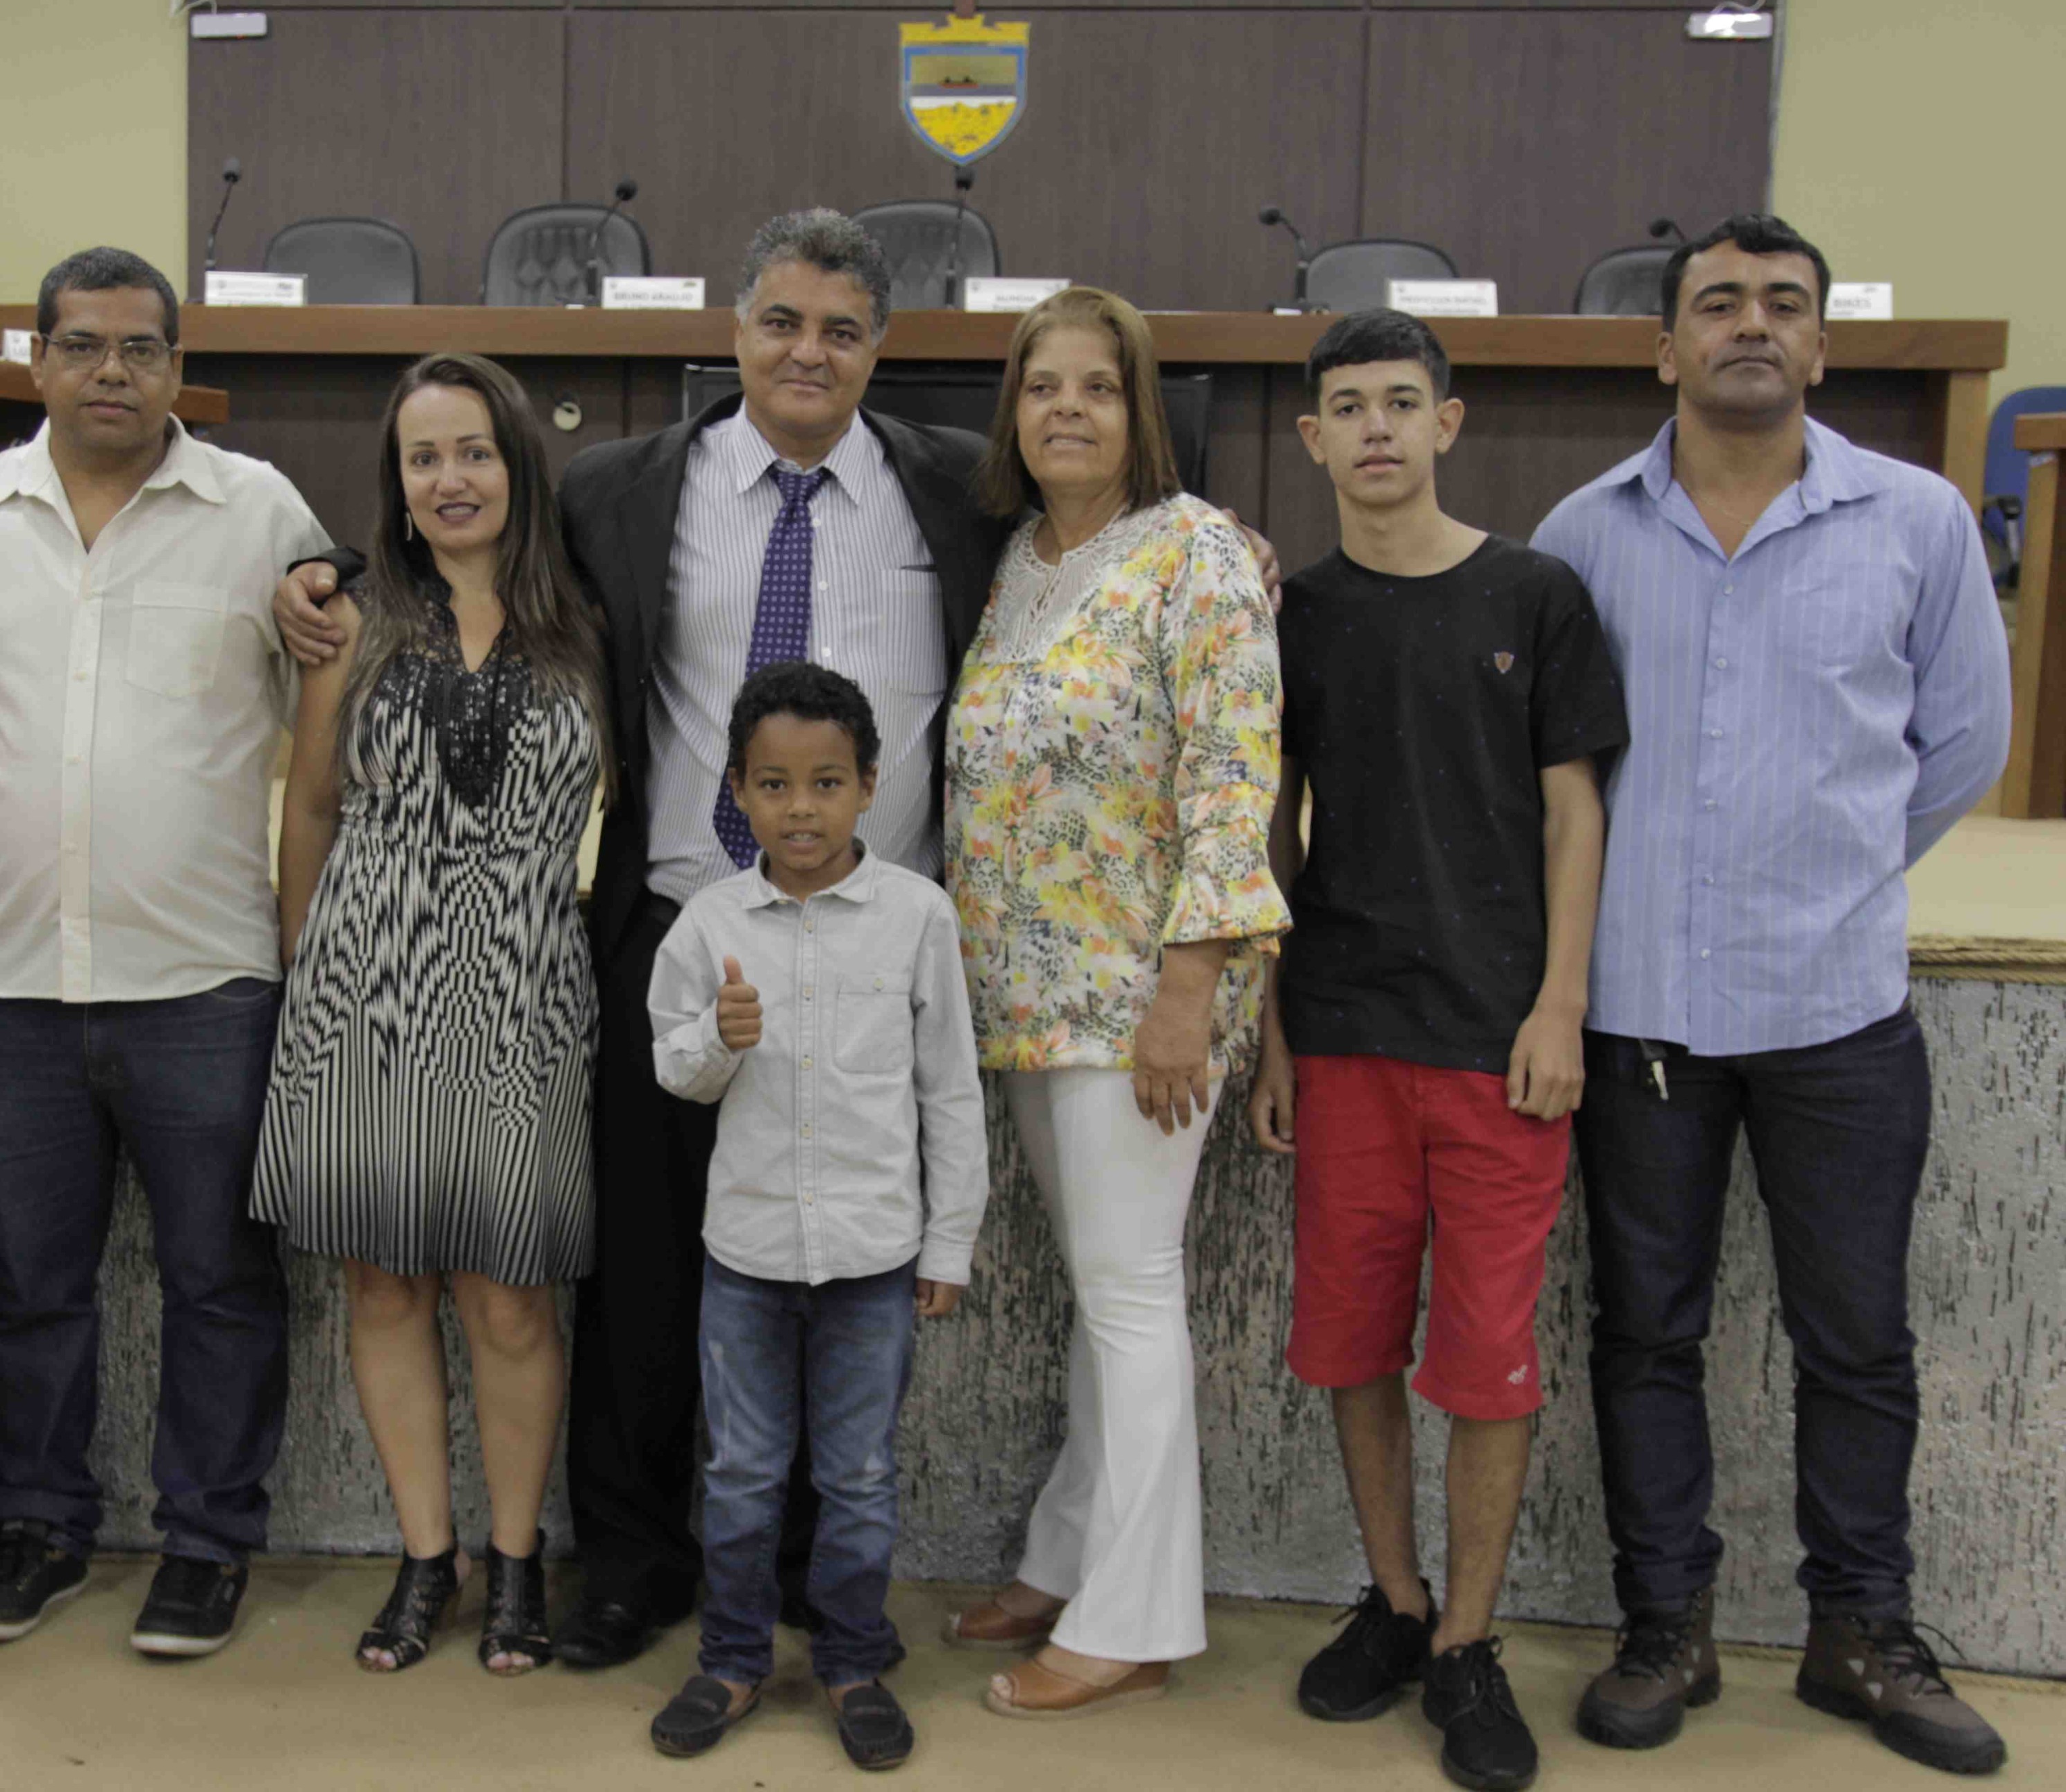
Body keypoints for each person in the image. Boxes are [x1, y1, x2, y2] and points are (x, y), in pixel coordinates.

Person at [281, 209, 1004, 1668]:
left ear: (882, 347)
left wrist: (1222, 536)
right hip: (674, 927)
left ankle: (805, 1564)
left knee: (830, 1270)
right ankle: (628, 1559)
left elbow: (1087, 536)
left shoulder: (961, 492)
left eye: (842, 329)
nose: (808, 352)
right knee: (641, 1276)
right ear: (735, 331)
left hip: (864, 946)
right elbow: (454, 551)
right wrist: (318, 574)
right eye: (782, 321)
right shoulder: (623, 488)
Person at [1531, 215, 2012, 1777]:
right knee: (1643, 1335)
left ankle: (1860, 1629)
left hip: (1835, 1011)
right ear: (1665, 346)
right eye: (1720, 302)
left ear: (1819, 343)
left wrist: (1836, 869)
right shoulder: (1583, 533)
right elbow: (1551, 768)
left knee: (1856, 1341)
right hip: (1642, 1019)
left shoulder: (1918, 521)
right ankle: (1662, 1624)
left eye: (1783, 304)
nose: (1752, 323)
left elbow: (1963, 744)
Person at [0, 247, 331, 1659]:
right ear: (36, 360)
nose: (111, 372)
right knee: (30, 1288)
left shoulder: (259, 513)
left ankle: (207, 1542)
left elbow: (332, 701)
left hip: (207, 979)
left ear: (176, 366)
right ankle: (36, 1525)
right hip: (8, 979)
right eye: (81, 345)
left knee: (222, 1284)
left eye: (141, 348)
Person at [1246, 310, 1628, 1792]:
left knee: (1484, 1358)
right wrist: (1274, 1028)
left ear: (1448, 422)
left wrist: (1560, 1004)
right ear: (1313, 438)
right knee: (1352, 1342)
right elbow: (1271, 831)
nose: (1377, 428)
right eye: (1348, 406)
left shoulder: (1536, 594)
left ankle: (1469, 1643)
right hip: (1344, 1031)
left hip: (1496, 1042)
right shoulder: (1297, 616)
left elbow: (1574, 813)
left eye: (1402, 401)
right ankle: (1397, 1604)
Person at [939, 285, 1287, 1718]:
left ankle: (1137, 1617)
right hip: (1026, 990)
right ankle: (1069, 1556)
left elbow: (1232, 776)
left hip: (1143, 995)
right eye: (1042, 388)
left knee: (1132, 1293)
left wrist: (1188, 987)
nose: (1067, 409)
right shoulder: (1019, 560)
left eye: (1096, 386)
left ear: (1140, 408)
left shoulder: (1198, 553)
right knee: (1101, 1293)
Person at [256, 353, 608, 1676]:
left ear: (517, 464)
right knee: (383, 1279)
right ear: (395, 482)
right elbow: (310, 806)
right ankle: (426, 1556)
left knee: (510, 1297)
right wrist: (304, 974)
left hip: (524, 987)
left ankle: (516, 1558)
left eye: (473, 452)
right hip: (364, 986)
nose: (450, 479)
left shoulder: (591, 619)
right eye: (423, 458)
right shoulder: (349, 619)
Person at [642, 662, 987, 1772]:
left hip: (872, 1257)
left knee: (861, 1476)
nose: (801, 808)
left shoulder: (916, 916)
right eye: (775, 783)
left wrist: (949, 1241)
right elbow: (674, 1068)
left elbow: (950, 1090)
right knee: (741, 1472)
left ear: (870, 786)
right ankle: (734, 1657)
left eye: (827, 782)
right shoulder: (709, 923)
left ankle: (852, 1660)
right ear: (738, 790)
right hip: (745, 1257)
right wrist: (719, 1037)